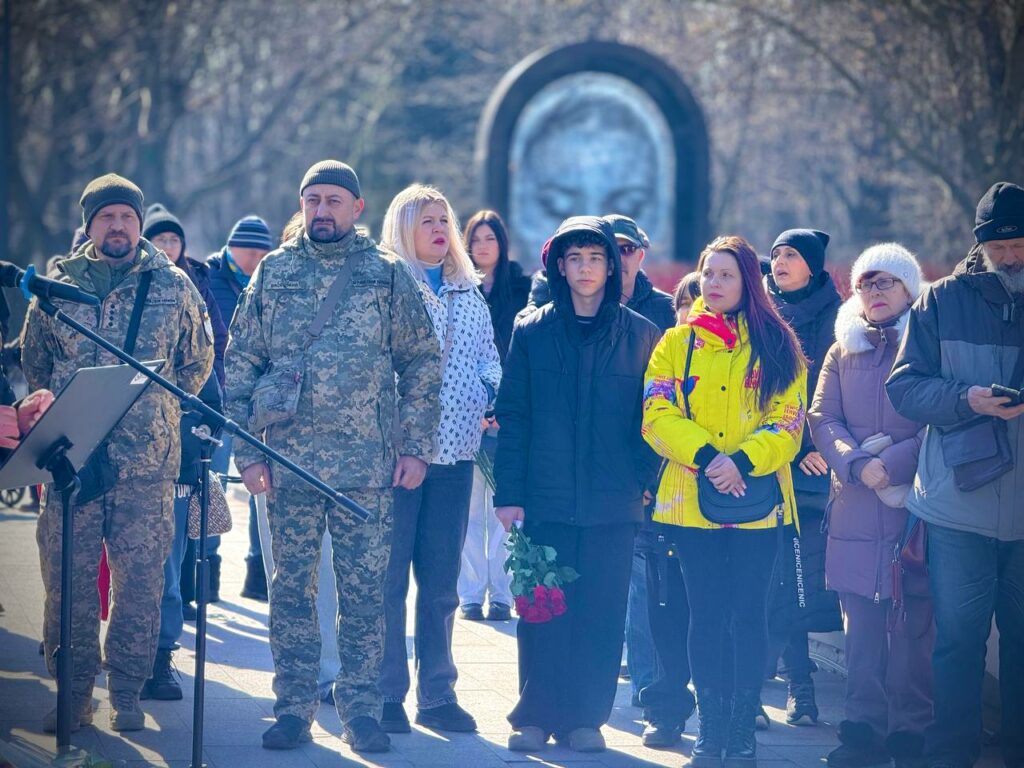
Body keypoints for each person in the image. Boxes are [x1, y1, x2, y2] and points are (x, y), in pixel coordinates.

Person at [225, 160, 441, 754]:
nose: (322, 210)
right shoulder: (274, 272)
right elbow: (240, 361)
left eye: (334, 201)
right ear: (301, 206)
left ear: (357, 208)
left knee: (366, 595)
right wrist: (249, 455)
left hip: (366, 468)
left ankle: (362, 711)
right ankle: (293, 708)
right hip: (288, 464)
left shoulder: (385, 276)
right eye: (312, 199)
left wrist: (416, 446)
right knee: (291, 592)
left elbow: (422, 359)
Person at [21, 173, 214, 732]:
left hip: (145, 468)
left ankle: (126, 694)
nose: (118, 226)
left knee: (141, 584)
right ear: (89, 226)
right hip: (71, 463)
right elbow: (38, 367)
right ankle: (73, 697)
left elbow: (195, 366)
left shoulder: (173, 285)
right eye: (106, 217)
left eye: (127, 216)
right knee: (68, 584)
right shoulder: (55, 287)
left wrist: (150, 417)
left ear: (139, 222)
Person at [493, 216, 661, 754]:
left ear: (612, 266)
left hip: (614, 502)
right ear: (558, 267)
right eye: (574, 258)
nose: (585, 268)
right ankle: (536, 714)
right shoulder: (533, 330)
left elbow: (655, 419)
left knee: (602, 610)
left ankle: (586, 717)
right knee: (543, 609)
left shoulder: (641, 333)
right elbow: (514, 414)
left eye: (595, 257)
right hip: (545, 498)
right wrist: (509, 493)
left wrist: (643, 480)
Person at [642, 235, 806, 768]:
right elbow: (655, 414)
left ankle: (742, 729)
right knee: (705, 615)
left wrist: (741, 462)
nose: (713, 284)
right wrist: (711, 457)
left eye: (726, 275)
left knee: (749, 615)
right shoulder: (676, 342)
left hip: (760, 505)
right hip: (692, 503)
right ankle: (709, 730)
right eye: (708, 273)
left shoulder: (780, 346)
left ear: (748, 283)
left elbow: (788, 423)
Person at [886, 181, 1024, 768]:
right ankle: (950, 757)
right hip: (954, 508)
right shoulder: (939, 301)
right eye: (1001, 246)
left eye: (1020, 243)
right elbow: (905, 388)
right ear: (981, 245)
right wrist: (968, 398)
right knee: (958, 644)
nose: (1012, 256)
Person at [377, 185, 501, 734]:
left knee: (442, 583)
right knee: (386, 584)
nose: (438, 229)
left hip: (454, 457)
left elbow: (489, 358)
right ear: (403, 227)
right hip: (396, 459)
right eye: (426, 220)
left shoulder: (469, 291)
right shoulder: (382, 283)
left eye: (443, 220)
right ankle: (383, 694)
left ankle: (438, 694)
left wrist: (487, 393)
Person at [809, 243, 932, 768]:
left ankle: (912, 731)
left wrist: (896, 463)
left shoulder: (929, 343)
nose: (874, 293)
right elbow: (821, 417)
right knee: (860, 628)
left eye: (885, 283)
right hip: (856, 505)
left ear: (908, 289)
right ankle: (860, 729)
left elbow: (939, 419)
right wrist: (858, 464)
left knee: (913, 629)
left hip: (914, 509)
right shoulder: (844, 348)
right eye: (865, 283)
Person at [139, 203, 226, 701]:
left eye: (173, 239)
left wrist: (197, 447)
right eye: (159, 240)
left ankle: (159, 659)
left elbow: (207, 384)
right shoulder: (105, 296)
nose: (166, 248)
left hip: (171, 462)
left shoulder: (188, 296)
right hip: (108, 463)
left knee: (168, 571)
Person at [765, 228, 843, 725]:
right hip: (765, 463)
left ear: (812, 265)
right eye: (775, 255)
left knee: (800, 581)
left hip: (816, 471)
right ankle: (773, 681)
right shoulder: (760, 314)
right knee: (770, 578)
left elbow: (842, 391)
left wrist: (818, 446)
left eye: (791, 255)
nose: (780, 263)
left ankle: (801, 688)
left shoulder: (840, 319)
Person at [603, 214, 675, 712]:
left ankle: (648, 687)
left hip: (647, 456)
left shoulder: (665, 312)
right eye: (613, 248)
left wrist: (650, 470)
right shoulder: (574, 303)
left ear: (642, 253)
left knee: (644, 578)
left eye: (630, 248)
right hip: (593, 458)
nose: (621, 256)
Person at [638, 269, 701, 749]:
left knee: (719, 618)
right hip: (664, 507)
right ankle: (666, 709)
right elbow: (640, 423)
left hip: (728, 509)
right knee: (665, 614)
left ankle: (731, 709)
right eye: (685, 304)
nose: (692, 313)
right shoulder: (660, 356)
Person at [457, 210, 530, 623]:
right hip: (467, 414)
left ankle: (502, 594)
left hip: (511, 415)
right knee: (469, 511)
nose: (482, 247)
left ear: (502, 244)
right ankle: (470, 593)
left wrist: (503, 406)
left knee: (505, 509)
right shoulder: (459, 288)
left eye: (490, 239)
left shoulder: (521, 290)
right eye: (475, 240)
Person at [207, 214, 275, 604]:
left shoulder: (267, 282)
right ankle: (208, 572)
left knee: (260, 485)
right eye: (250, 250)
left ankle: (258, 575)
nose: (255, 258)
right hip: (218, 399)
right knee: (212, 485)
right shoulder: (210, 278)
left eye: (261, 252)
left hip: (257, 401)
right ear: (232, 247)